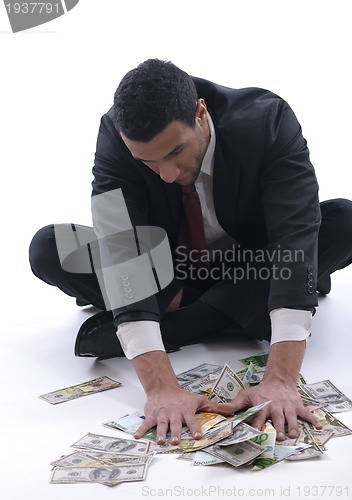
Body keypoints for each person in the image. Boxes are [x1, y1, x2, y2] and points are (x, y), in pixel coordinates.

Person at [29, 59, 352, 446]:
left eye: (175, 152)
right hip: (170, 272)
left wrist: (280, 378)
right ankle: (225, 312)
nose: (165, 173)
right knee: (50, 247)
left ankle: (181, 321)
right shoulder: (116, 136)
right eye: (148, 162)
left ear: (200, 113)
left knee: (345, 220)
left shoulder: (266, 120)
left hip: (253, 265)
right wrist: (160, 387)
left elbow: (294, 237)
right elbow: (121, 247)